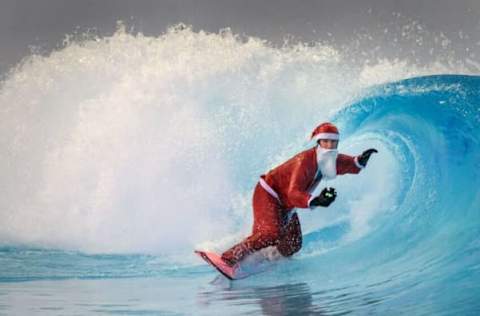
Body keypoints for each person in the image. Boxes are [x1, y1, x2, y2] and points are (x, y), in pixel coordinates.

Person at [221, 122, 378, 267]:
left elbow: (346, 163)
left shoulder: (329, 159)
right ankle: (229, 258)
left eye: (333, 142)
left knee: (293, 243)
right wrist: (316, 200)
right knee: (270, 234)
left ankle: (267, 256)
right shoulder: (304, 161)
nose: (330, 146)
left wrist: (360, 161)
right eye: (326, 141)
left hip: (287, 204)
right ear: (318, 142)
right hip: (269, 194)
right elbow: (293, 193)